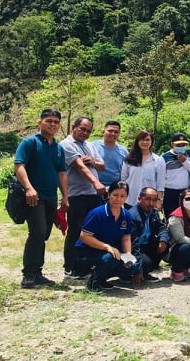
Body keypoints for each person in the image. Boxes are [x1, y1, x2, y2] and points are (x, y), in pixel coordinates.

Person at [14, 108, 69, 288]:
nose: (52, 124)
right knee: (37, 232)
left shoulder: (58, 148)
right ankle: (29, 274)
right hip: (34, 197)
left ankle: (37, 273)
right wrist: (29, 188)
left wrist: (65, 196)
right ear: (40, 123)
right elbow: (19, 165)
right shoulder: (30, 142)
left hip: (51, 197)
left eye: (56, 121)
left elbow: (61, 173)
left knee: (44, 234)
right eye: (49, 121)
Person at [73, 180, 141, 292]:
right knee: (111, 257)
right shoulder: (97, 213)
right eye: (115, 195)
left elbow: (126, 237)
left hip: (109, 252)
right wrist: (106, 247)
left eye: (122, 196)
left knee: (132, 266)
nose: (118, 199)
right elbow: (84, 236)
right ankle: (93, 281)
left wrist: (128, 255)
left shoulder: (126, 215)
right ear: (108, 195)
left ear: (127, 197)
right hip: (87, 253)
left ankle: (102, 278)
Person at [60, 116, 106, 278]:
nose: (85, 133)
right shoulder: (66, 145)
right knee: (75, 230)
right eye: (82, 129)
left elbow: (102, 165)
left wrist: (93, 162)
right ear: (74, 127)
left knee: (92, 231)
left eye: (88, 130)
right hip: (77, 195)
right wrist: (96, 183)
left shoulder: (90, 145)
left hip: (93, 196)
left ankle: (87, 264)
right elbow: (79, 166)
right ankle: (70, 266)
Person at [129, 187, 169, 282]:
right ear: (139, 199)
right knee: (146, 263)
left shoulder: (153, 212)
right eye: (147, 199)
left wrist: (163, 240)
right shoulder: (132, 215)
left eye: (154, 200)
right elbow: (133, 244)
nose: (151, 203)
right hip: (132, 248)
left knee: (165, 245)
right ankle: (131, 274)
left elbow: (161, 227)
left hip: (146, 245)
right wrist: (138, 268)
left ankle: (145, 272)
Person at [121, 130, 165, 208]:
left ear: (152, 142)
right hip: (131, 199)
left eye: (147, 140)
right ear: (137, 141)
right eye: (142, 139)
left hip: (150, 201)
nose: (145, 142)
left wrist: (158, 201)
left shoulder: (158, 160)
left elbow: (160, 184)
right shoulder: (129, 159)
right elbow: (124, 179)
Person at [161, 132, 190, 219]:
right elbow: (160, 177)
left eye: (183, 144)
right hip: (170, 192)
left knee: (187, 217)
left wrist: (185, 162)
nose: (181, 147)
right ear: (172, 144)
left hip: (186, 192)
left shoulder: (189, 153)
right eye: (178, 145)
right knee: (171, 218)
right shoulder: (165, 157)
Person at [93, 121, 128, 187]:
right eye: (110, 131)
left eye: (116, 132)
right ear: (103, 132)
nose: (113, 134)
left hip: (115, 189)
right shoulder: (93, 146)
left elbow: (126, 172)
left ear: (119, 134)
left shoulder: (124, 151)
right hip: (94, 187)